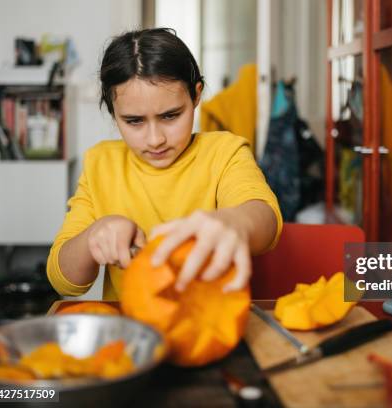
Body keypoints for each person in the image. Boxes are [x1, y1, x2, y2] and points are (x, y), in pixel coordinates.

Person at [47, 28, 282, 300]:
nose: (155, 139)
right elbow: (62, 281)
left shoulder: (225, 152)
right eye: (134, 121)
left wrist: (236, 222)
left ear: (196, 96)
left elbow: (266, 219)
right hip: (135, 333)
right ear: (113, 114)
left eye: (171, 116)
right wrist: (92, 238)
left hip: (211, 324)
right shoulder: (100, 164)